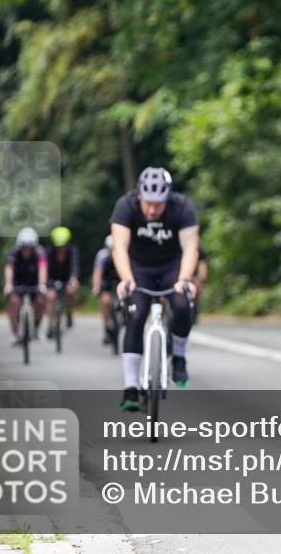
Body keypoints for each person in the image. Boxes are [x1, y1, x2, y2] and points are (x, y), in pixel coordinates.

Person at [110, 167, 199, 411]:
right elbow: (119, 246)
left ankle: (179, 357)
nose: (152, 210)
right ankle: (130, 388)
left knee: (182, 305)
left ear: (168, 198)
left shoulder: (182, 207)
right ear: (139, 196)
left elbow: (191, 248)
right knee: (136, 315)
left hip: (172, 266)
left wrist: (184, 279)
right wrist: (126, 279)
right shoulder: (125, 206)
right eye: (148, 203)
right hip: (139, 268)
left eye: (158, 205)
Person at [3, 227, 47, 343]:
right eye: (24, 247)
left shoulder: (39, 253)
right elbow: (9, 268)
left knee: (40, 301)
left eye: (29, 248)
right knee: (14, 302)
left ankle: (37, 327)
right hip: (18, 283)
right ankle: (14, 331)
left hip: (34, 283)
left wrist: (42, 284)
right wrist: (8, 284)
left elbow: (43, 268)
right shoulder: (14, 253)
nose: (26, 250)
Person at [44, 226, 80, 336]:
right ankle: (50, 325)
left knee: (70, 292)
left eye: (63, 246)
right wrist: (44, 283)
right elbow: (44, 269)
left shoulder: (72, 251)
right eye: (58, 246)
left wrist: (73, 279)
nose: (61, 248)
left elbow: (74, 267)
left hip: (67, 278)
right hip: (52, 279)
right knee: (50, 297)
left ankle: (69, 313)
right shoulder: (49, 252)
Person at [91, 235, 121, 344]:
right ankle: (106, 326)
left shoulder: (124, 254)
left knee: (127, 300)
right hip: (107, 280)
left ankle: (126, 318)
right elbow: (97, 272)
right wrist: (96, 287)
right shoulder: (102, 255)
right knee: (106, 302)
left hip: (120, 280)